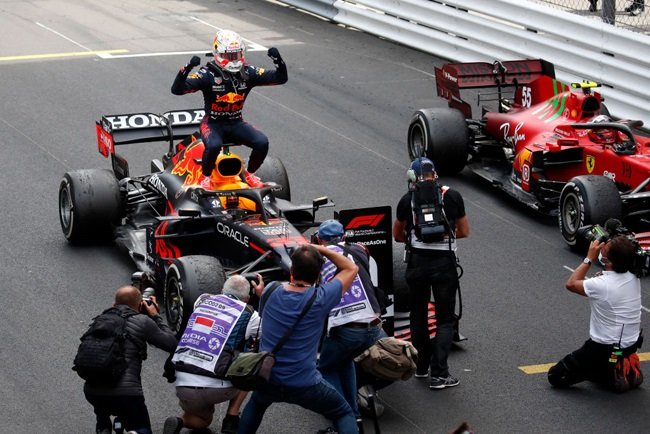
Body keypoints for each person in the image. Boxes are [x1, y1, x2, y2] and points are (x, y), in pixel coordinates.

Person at [239, 244, 360, 434]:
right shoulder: (321, 298)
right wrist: (322, 249)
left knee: (256, 402)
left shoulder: (270, 290)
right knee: (343, 412)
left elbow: (268, 311)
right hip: (305, 383)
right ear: (319, 274)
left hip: (269, 377)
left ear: (292, 270)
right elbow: (351, 268)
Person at [171, 29, 288, 189]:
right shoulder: (207, 74)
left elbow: (280, 78)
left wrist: (278, 60)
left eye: (236, 55)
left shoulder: (248, 72)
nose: (234, 60)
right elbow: (177, 89)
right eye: (229, 56)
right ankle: (205, 179)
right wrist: (187, 68)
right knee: (213, 146)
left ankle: (249, 174)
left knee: (262, 142)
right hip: (212, 124)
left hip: (236, 122)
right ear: (218, 54)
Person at [393, 157, 470, 390]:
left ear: (412, 177)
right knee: (445, 319)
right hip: (444, 265)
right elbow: (465, 231)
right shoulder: (453, 196)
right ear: (434, 174)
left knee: (418, 315)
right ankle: (440, 374)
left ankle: (422, 366)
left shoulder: (408, 200)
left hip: (417, 264)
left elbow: (397, 235)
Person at [162, 274, 263, 434]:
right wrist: (260, 298)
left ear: (222, 290)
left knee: (203, 421)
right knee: (252, 360)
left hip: (183, 383)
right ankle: (232, 416)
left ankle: (181, 421)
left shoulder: (201, 301)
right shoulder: (251, 314)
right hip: (219, 387)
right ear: (247, 298)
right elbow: (257, 342)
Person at [315, 219, 386, 433]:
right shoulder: (360, 250)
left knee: (324, 369)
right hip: (374, 326)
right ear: (344, 236)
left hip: (348, 328)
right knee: (345, 361)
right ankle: (354, 414)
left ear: (320, 239)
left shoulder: (319, 257)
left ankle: (343, 416)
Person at [547, 236, 644, 391]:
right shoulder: (634, 276)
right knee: (606, 360)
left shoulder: (601, 285)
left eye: (604, 249)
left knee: (555, 376)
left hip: (603, 348)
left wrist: (589, 258)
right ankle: (623, 368)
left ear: (610, 262)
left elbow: (571, 284)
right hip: (630, 345)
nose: (601, 248)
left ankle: (606, 371)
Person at [83, 285, 177, 434]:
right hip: (127, 393)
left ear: (114, 305)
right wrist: (155, 316)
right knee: (142, 428)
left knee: (103, 410)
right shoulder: (142, 321)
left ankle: (103, 427)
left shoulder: (100, 320)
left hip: (92, 390)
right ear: (140, 305)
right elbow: (172, 344)